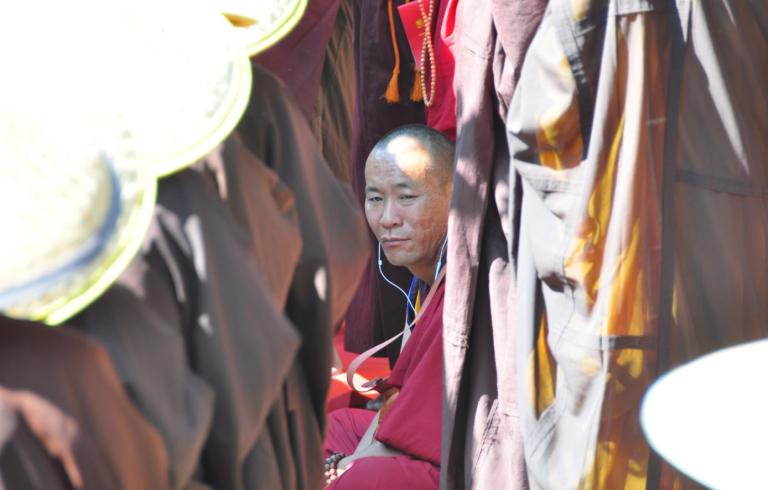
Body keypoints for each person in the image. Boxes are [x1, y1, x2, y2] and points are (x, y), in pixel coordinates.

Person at [323, 125, 453, 489]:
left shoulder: (470, 286)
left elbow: (427, 434)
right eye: (375, 198)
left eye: (407, 196)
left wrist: (344, 469)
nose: (387, 219)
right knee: (332, 428)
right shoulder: (425, 280)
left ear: (455, 193)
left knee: (363, 479)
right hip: (421, 441)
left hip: (470, 459)